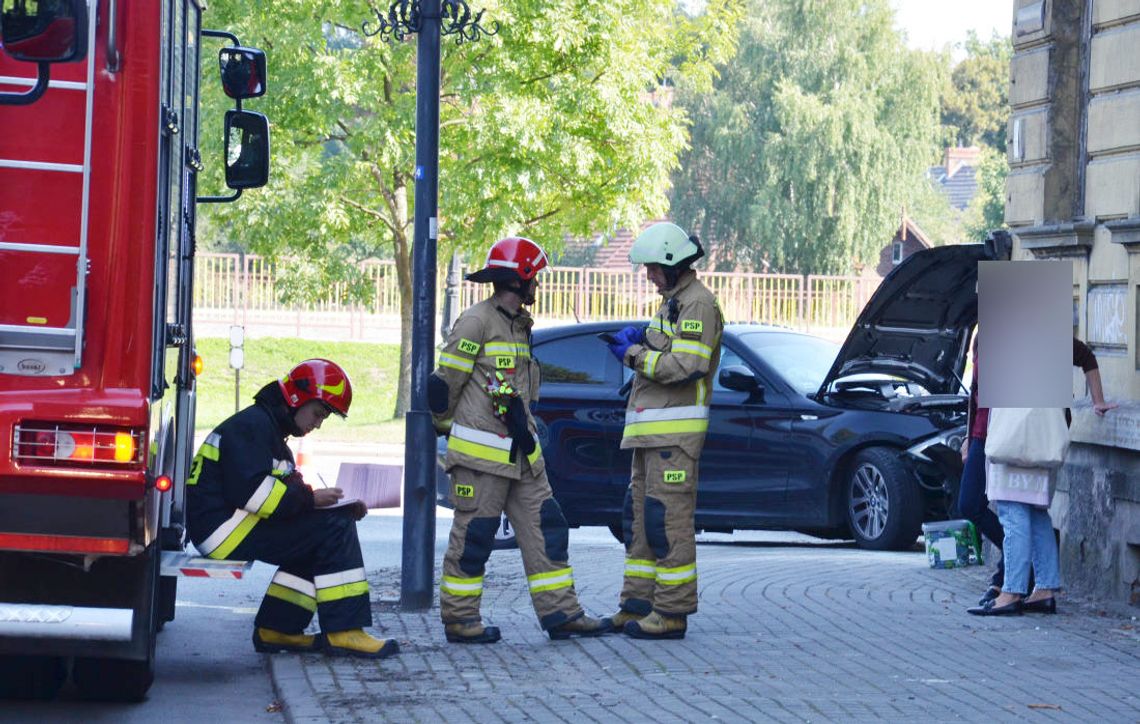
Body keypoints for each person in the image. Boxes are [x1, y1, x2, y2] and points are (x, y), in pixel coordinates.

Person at [429, 237, 612, 643]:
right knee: (475, 537)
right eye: (536, 278)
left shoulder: (519, 326)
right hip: (482, 461)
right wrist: (450, 433)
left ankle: (562, 613)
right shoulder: (476, 321)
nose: (539, 287)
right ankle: (460, 620)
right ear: (521, 278)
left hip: (522, 455)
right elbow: (445, 388)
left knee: (548, 528)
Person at [186, 359, 399, 659]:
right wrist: (312, 502)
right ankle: (344, 631)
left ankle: (278, 630)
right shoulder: (253, 428)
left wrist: (333, 503)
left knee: (323, 530)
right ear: (298, 398)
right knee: (333, 528)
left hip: (229, 524)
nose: (318, 423)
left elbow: (286, 491)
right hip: (223, 530)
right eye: (318, 414)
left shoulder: (268, 429)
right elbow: (254, 494)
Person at [604, 221, 724, 639]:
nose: (650, 276)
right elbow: (667, 350)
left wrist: (633, 353)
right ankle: (637, 604)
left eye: (654, 268)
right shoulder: (673, 304)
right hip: (650, 438)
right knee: (640, 523)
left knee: (667, 523)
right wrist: (643, 338)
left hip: (674, 441)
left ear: (674, 265)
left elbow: (686, 366)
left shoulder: (698, 305)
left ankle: (671, 613)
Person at [966, 337, 1116, 616]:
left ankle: (1011, 592)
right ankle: (1045, 589)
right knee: (1036, 514)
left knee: (1013, 514)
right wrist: (1098, 400)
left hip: (1013, 439)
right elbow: (1084, 355)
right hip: (1044, 440)